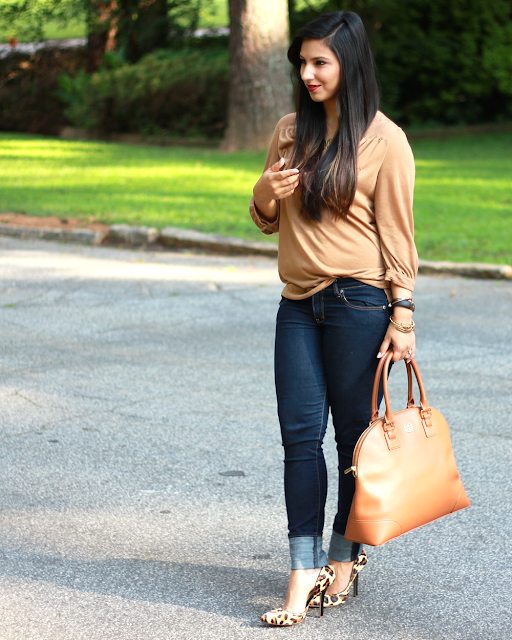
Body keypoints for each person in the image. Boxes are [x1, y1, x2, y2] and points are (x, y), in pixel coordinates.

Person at [249, 10, 418, 627]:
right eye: (303, 61)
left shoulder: (384, 140)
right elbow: (264, 214)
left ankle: (343, 560)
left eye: (321, 61)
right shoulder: (290, 130)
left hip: (360, 304)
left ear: (350, 65)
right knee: (299, 438)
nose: (308, 72)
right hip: (297, 305)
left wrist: (403, 315)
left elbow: (398, 233)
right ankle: (301, 570)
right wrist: (270, 189)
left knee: (353, 441)